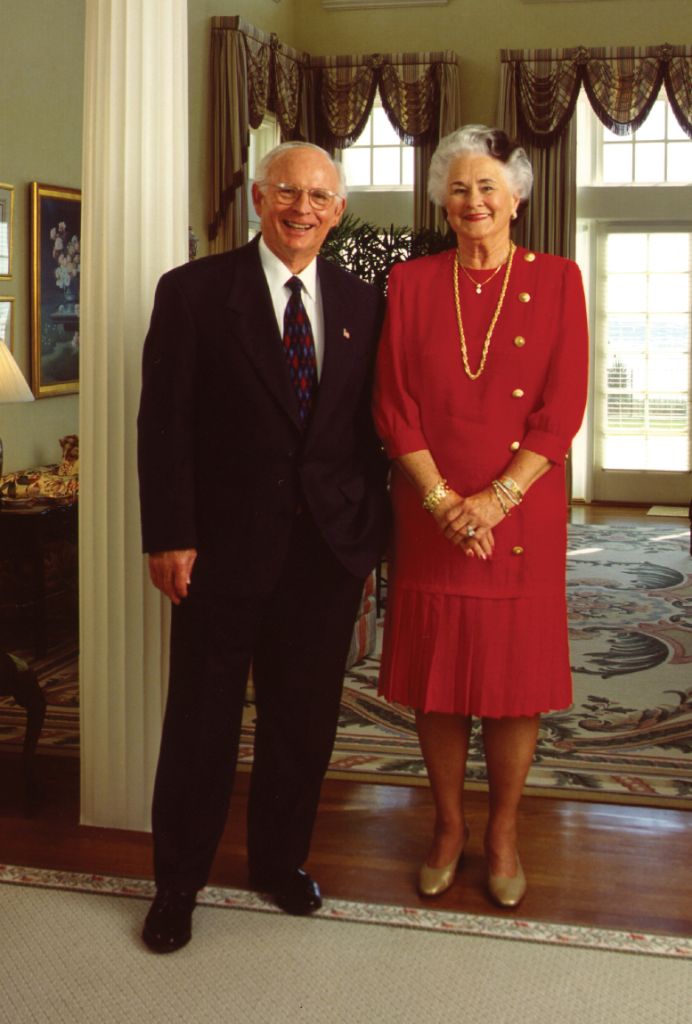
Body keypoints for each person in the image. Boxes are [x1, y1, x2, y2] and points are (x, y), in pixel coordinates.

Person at [137, 142, 389, 952]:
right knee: (201, 725)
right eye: (289, 191)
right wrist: (170, 534)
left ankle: (279, 863)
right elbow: (164, 425)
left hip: (325, 556)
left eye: (320, 196)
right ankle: (177, 884)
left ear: (339, 210)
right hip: (218, 554)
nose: (303, 208)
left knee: (302, 724)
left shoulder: (362, 302)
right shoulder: (194, 293)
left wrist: (367, 541)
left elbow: (366, 436)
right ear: (258, 197)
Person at [372, 125, 588, 908]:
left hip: (521, 512)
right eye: (459, 188)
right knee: (439, 682)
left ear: (518, 196)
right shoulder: (411, 281)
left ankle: (502, 832)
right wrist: (442, 502)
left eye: (487, 186)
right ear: (442, 199)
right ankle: (447, 827)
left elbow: (561, 412)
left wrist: (494, 499)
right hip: (429, 510)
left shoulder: (561, 279)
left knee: (511, 683)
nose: (473, 201)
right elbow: (394, 405)